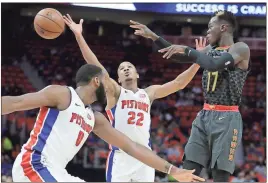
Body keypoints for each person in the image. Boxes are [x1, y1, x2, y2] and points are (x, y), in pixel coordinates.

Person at [2, 64, 205, 182]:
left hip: (57, 171)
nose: (110, 87)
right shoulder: (62, 94)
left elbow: (133, 147)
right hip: (34, 163)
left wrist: (172, 170)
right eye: (106, 81)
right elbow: (15, 102)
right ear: (97, 82)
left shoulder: (94, 118)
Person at [63, 14, 204, 182]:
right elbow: (95, 66)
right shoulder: (115, 92)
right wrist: (79, 35)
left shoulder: (149, 93)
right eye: (122, 69)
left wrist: (198, 61)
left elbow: (178, 83)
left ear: (137, 74)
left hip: (145, 158)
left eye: (130, 67)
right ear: (119, 78)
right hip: (121, 157)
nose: (126, 69)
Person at [130, 10, 250, 182]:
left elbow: (213, 64)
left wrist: (189, 50)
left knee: (220, 175)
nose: (207, 31)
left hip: (228, 117)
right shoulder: (210, 49)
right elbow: (178, 56)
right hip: (205, 114)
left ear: (224, 28)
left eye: (210, 27)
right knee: (188, 169)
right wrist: (154, 36)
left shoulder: (240, 48)